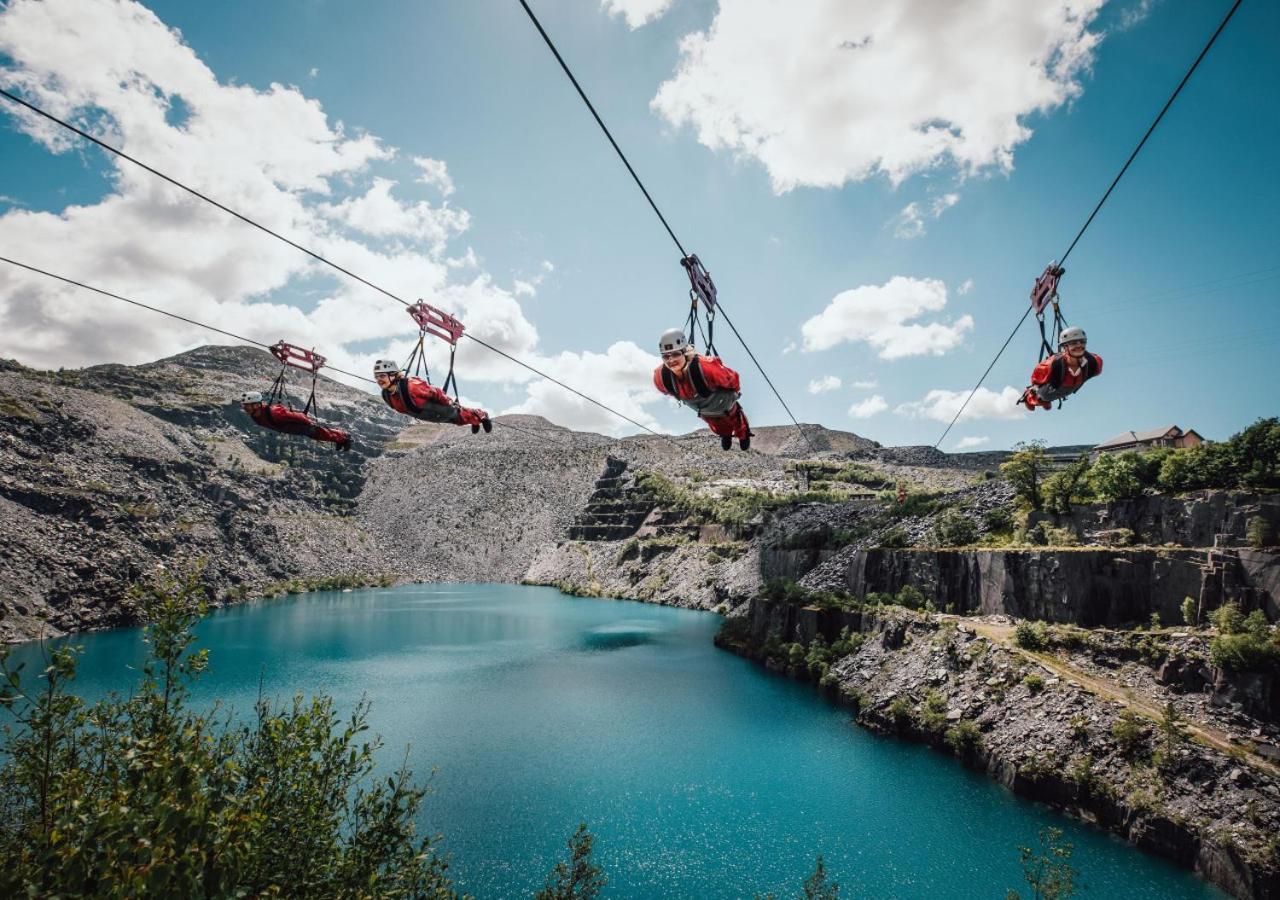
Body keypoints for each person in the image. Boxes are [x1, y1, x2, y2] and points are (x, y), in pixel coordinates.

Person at [652, 329, 753, 450]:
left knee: (734, 417)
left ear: (685, 352)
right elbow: (664, 389)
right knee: (716, 424)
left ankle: (743, 434)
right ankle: (726, 434)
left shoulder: (706, 368)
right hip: (706, 411)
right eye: (666, 356)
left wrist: (733, 395)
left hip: (723, 402)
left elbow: (732, 379)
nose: (671, 360)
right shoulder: (662, 378)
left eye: (676, 354)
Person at [373, 360, 491, 433]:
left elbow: (435, 392)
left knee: (459, 415)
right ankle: (475, 421)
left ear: (393, 375)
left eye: (382, 376)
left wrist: (448, 403)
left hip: (441, 410)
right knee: (458, 421)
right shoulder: (387, 395)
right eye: (377, 377)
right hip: (429, 415)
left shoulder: (412, 386)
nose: (379, 380)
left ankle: (482, 415)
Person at [1022, 326, 1102, 411]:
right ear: (1064, 347)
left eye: (1082, 342)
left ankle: (1046, 399)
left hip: (1069, 388)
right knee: (1043, 395)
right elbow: (1036, 380)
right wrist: (1036, 393)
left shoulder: (1094, 363)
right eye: (1073, 343)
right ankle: (1031, 397)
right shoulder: (1051, 365)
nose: (1079, 345)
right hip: (1050, 390)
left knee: (1057, 392)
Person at [240, 391, 351, 451]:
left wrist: (309, 423)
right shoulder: (257, 415)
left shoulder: (274, 413)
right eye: (245, 407)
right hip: (292, 429)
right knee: (320, 435)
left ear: (257, 405)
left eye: (248, 407)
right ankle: (340, 439)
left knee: (320, 433)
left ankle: (344, 438)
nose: (246, 409)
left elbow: (295, 416)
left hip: (300, 425)